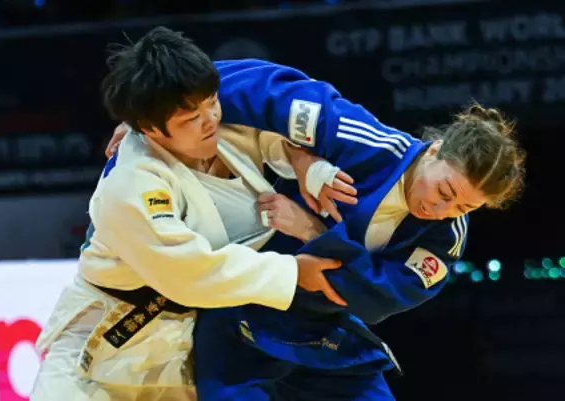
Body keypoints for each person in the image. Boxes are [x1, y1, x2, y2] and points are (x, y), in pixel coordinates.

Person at [30, 28, 356, 401]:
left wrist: (305, 163)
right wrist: (293, 272)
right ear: (149, 128)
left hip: (179, 347)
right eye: (190, 118)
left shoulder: (220, 127)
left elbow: (268, 133)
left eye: (212, 102)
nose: (210, 119)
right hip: (104, 343)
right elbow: (188, 271)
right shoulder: (133, 180)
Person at [188, 59, 527, 400]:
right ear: (434, 151)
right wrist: (172, 100)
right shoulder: (366, 144)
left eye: (464, 208)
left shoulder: (446, 237)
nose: (441, 211)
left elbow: (376, 299)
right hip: (246, 301)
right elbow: (266, 90)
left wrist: (312, 231)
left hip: (320, 329)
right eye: (444, 191)